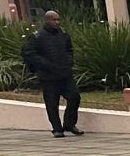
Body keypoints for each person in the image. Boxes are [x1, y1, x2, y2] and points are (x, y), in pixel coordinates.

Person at [20, 9, 83, 137]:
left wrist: (69, 62)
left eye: (58, 19)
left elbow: (69, 50)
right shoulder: (37, 36)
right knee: (52, 103)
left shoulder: (63, 34)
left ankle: (69, 124)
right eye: (54, 20)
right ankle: (57, 129)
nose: (57, 22)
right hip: (48, 76)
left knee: (74, 97)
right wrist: (45, 65)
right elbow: (29, 54)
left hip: (64, 74)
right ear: (47, 20)